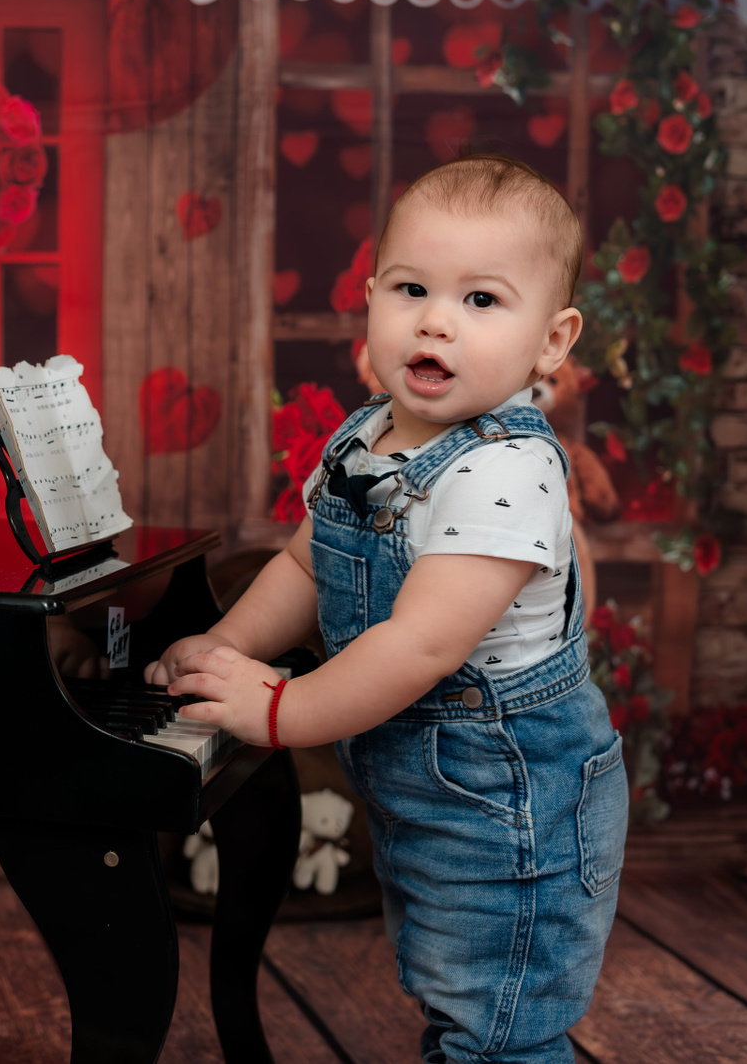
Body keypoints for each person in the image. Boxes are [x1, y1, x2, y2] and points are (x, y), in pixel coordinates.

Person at [149, 154, 628, 1064]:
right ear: (370, 301)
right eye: (412, 289)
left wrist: (278, 708)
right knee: (457, 995)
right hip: (429, 794)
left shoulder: (508, 472)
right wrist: (226, 641)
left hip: (513, 804)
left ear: (552, 340)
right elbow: (305, 564)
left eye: (481, 299)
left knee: (498, 1027)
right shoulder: (365, 438)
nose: (437, 320)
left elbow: (420, 645)